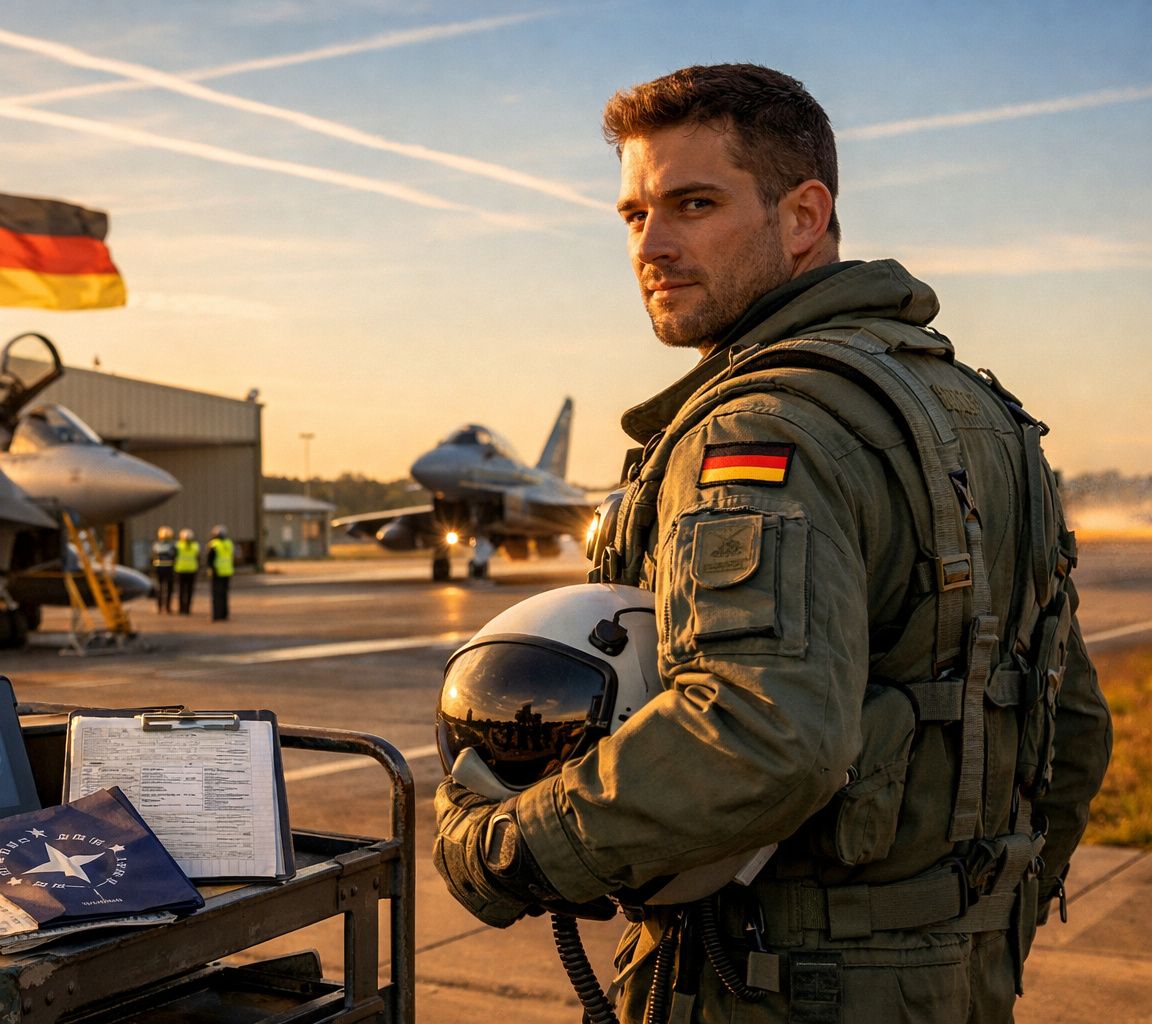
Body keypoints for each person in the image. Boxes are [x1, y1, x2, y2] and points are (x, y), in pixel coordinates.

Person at [433, 64, 1112, 1023]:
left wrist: (506, 850)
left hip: (772, 982)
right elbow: (1071, 724)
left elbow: (762, 729)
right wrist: (970, 930)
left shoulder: (759, 429)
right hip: (960, 977)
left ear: (803, 217)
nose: (652, 246)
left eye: (694, 204)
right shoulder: (985, 415)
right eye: (633, 214)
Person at [207, 525, 235, 621]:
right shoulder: (229, 543)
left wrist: (211, 570)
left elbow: (210, 560)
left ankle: (217, 615)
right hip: (227, 571)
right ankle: (224, 615)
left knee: (216, 595)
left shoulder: (214, 544)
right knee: (224, 594)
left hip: (217, 572)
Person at [173, 528, 200, 615]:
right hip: (192, 570)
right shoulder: (195, 546)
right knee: (189, 591)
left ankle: (181, 609)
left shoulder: (177, 545)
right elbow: (198, 558)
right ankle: (188, 609)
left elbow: (174, 557)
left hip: (180, 570)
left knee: (181, 591)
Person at [150, 526, 177, 614]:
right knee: (169, 589)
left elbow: (152, 558)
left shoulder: (155, 545)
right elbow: (175, 557)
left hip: (158, 570)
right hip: (169, 569)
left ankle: (159, 607)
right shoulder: (172, 546)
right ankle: (168, 607)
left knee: (160, 589)